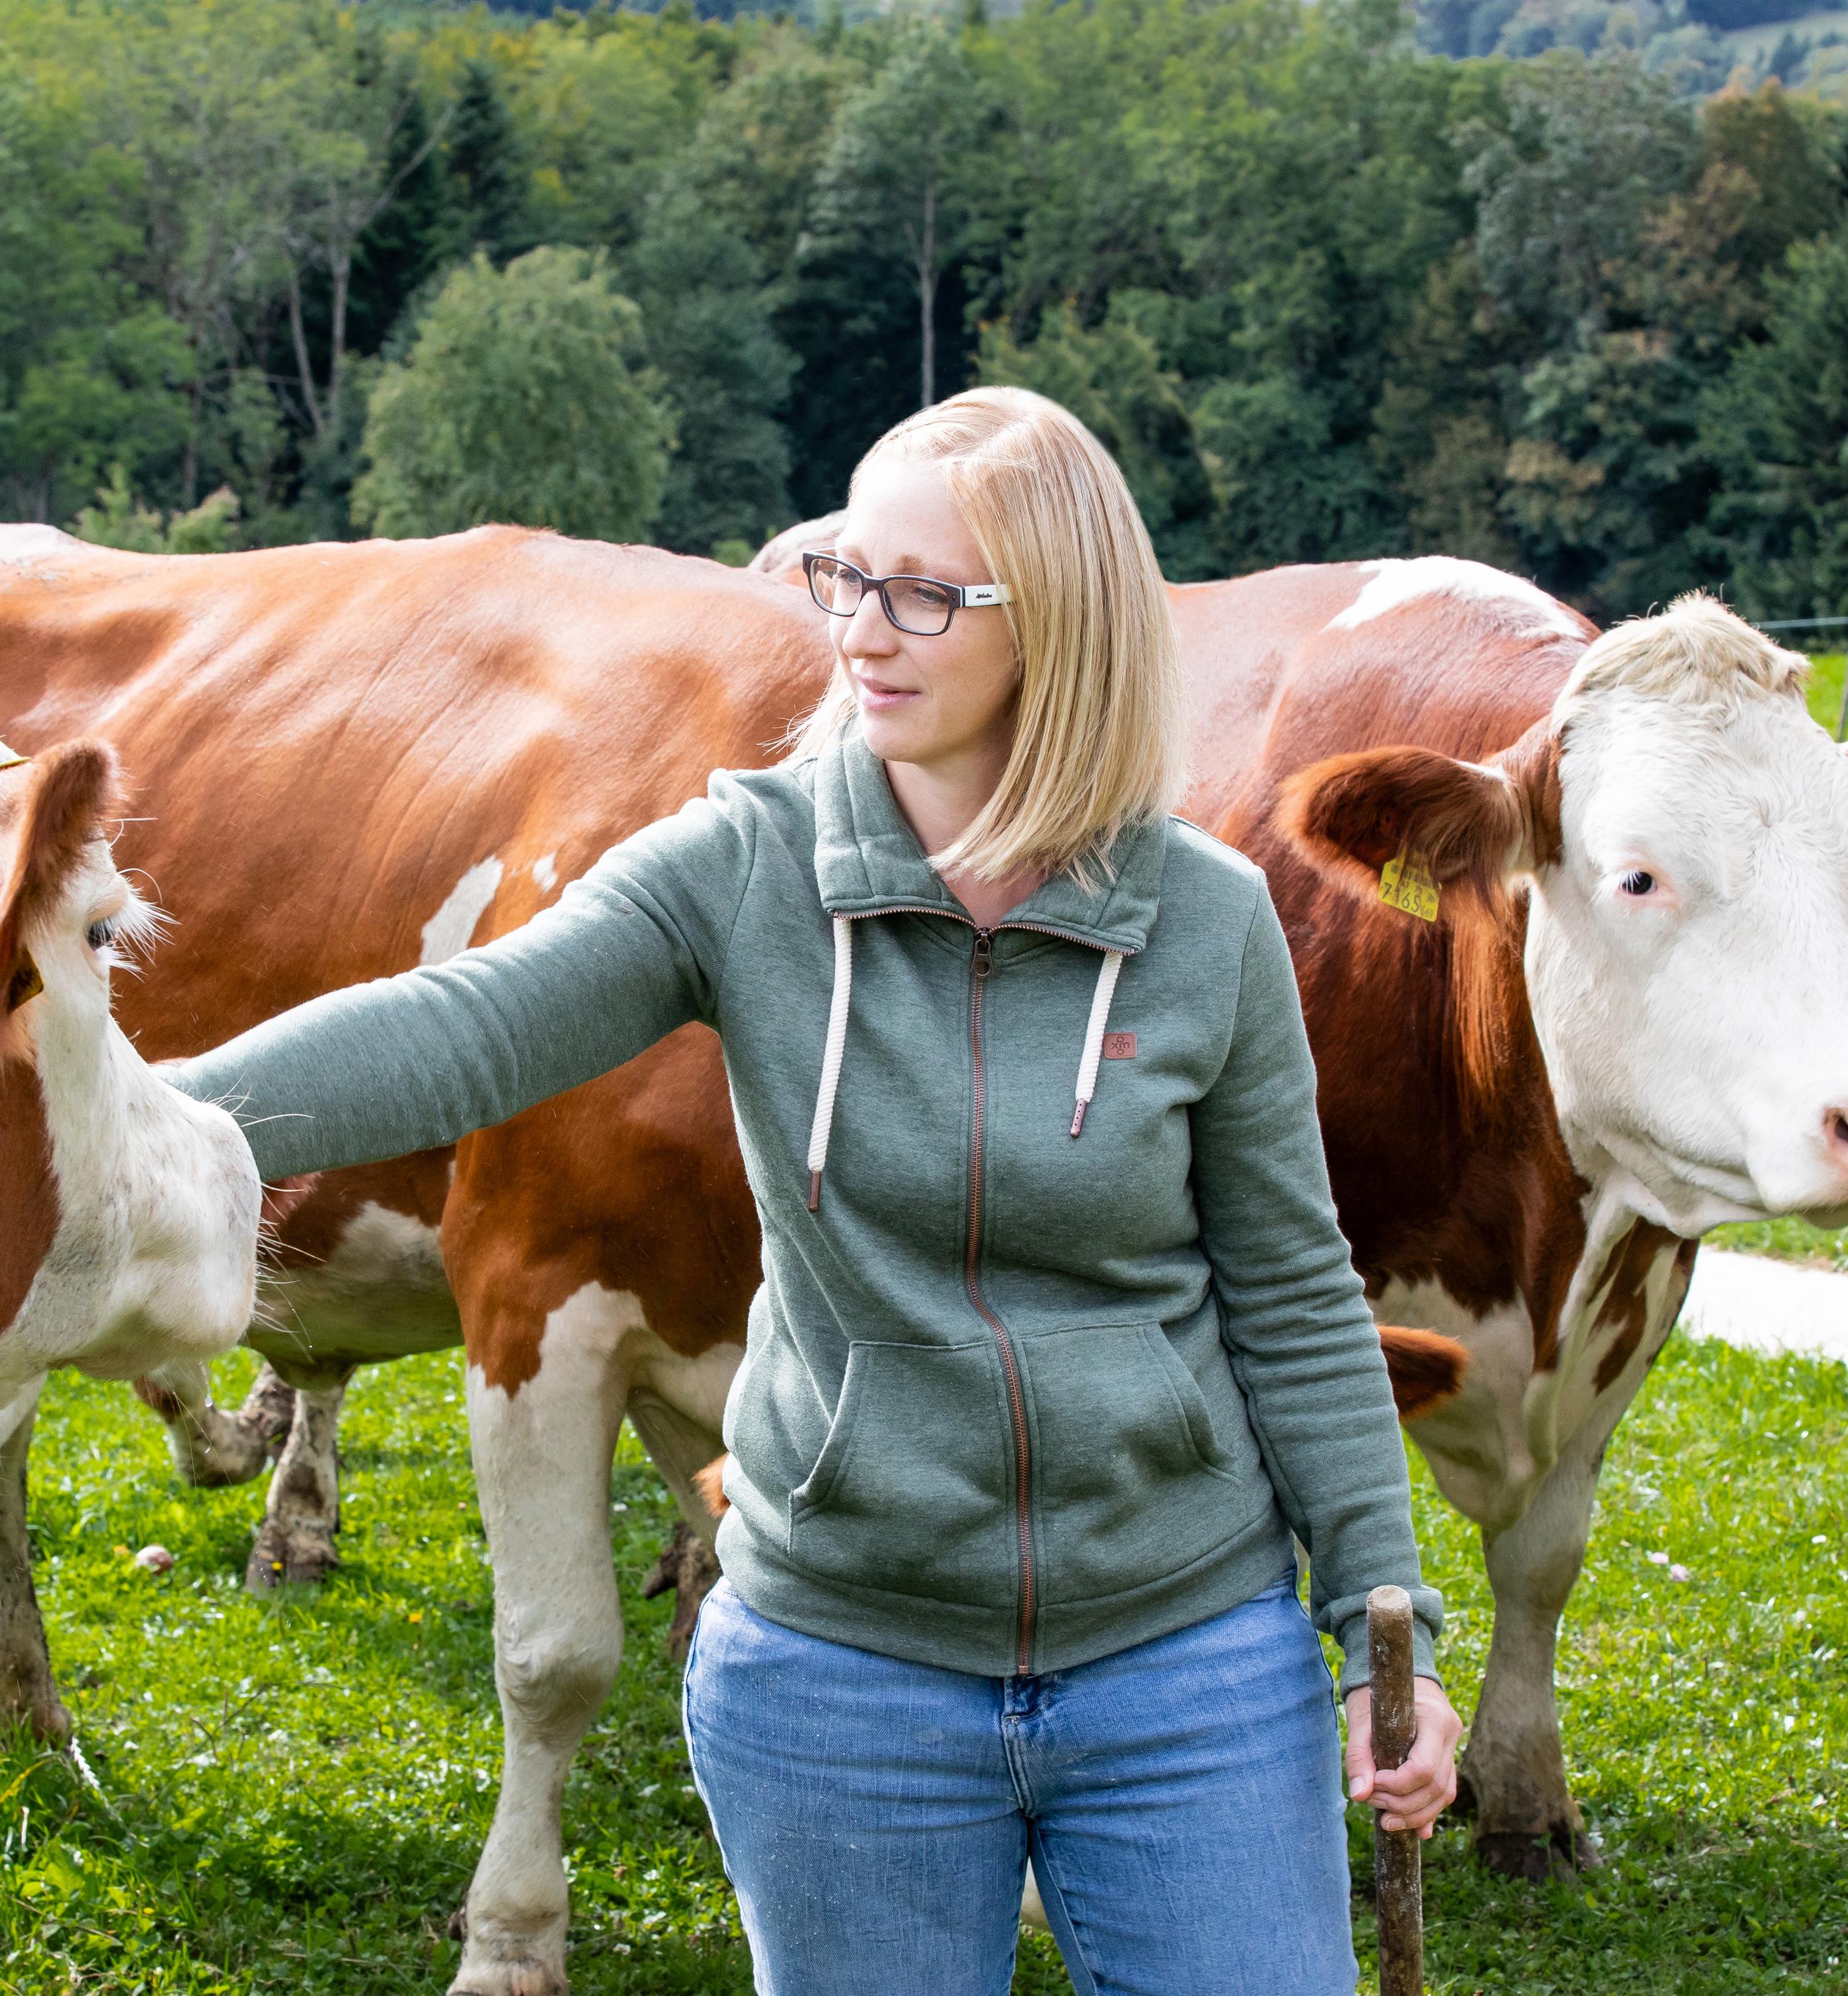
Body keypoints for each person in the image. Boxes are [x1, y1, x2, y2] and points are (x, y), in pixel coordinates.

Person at [172, 386, 1460, 1995]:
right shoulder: (746, 867)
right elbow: (466, 1029)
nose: (866, 629)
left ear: (1057, 624)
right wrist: (141, 1115)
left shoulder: (1199, 917)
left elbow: (1287, 1287)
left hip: (1184, 1664)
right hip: (841, 1674)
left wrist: (1375, 1622)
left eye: (926, 592)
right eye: (845, 576)